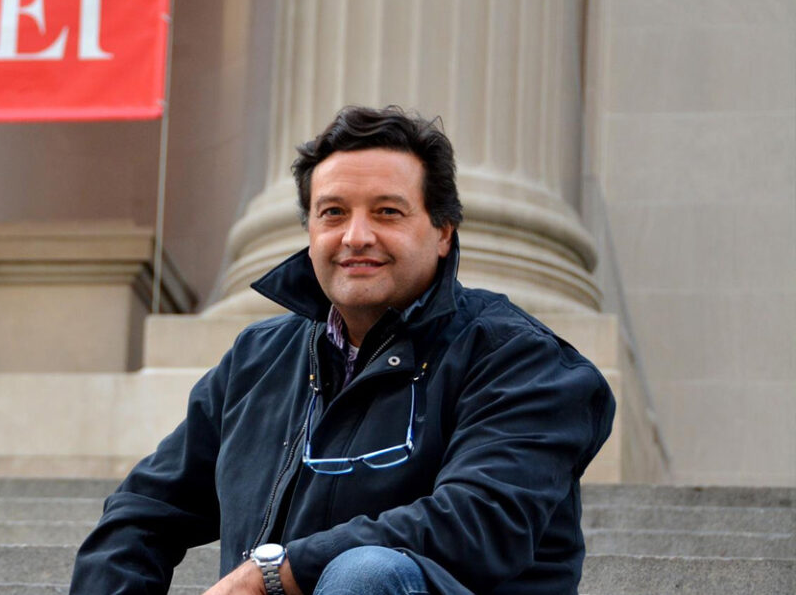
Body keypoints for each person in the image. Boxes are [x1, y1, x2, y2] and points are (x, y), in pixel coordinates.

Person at [69, 106, 615, 595]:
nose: (355, 236)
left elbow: (478, 522)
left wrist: (275, 572)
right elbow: (141, 514)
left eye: (387, 212)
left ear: (443, 231)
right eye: (333, 213)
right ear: (309, 230)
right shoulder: (258, 360)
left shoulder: (520, 359)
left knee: (366, 574)